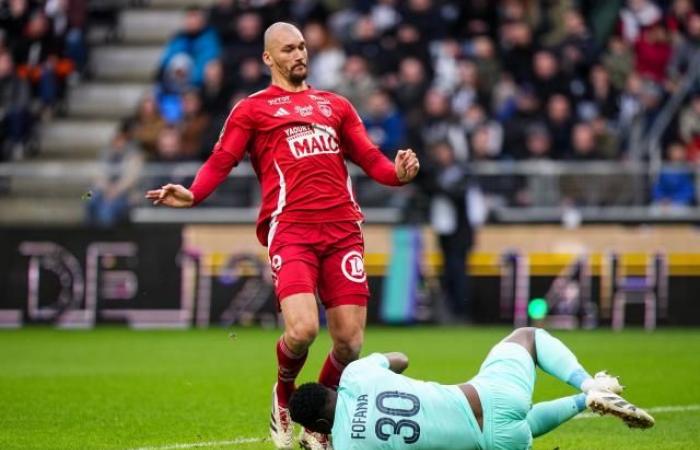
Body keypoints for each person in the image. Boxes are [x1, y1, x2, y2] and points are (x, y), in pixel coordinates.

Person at [145, 22, 420, 450]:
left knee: (349, 342)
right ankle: (283, 396)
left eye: (303, 47)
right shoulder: (252, 110)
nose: (299, 55)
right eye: (289, 49)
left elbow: (370, 158)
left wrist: (397, 175)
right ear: (268, 58)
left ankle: (318, 423)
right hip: (291, 230)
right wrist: (194, 193)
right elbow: (221, 160)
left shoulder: (336, 106)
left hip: (343, 231)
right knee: (304, 329)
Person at [289, 327, 655, 450]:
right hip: (491, 395)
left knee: (519, 426)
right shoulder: (356, 375)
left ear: (321, 427)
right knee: (528, 337)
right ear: (331, 391)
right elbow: (401, 358)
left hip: (499, 443)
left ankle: (583, 401)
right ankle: (590, 386)